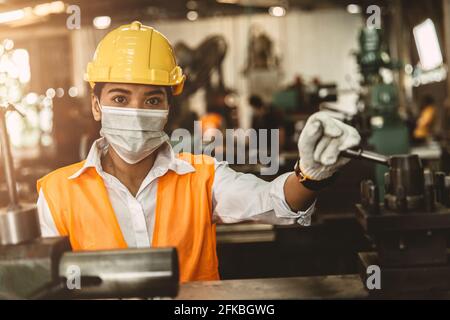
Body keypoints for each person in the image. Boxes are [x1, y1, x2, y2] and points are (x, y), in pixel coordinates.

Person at [36, 22, 360, 283]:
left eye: (151, 100)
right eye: (120, 99)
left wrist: (311, 175)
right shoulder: (56, 194)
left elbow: (273, 201)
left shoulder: (202, 177)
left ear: (167, 107)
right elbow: (46, 286)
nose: (136, 112)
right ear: (96, 105)